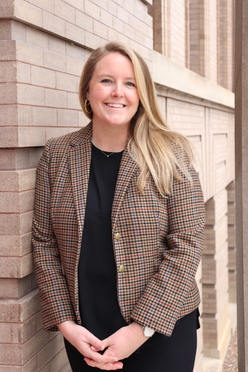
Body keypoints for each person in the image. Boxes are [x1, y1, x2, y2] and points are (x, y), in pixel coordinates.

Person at [32, 41, 205, 372]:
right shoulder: (57, 155)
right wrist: (66, 324)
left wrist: (140, 329)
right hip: (87, 338)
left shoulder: (171, 153)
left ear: (141, 95)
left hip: (162, 332)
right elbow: (43, 244)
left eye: (130, 83)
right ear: (87, 90)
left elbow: (187, 245)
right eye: (106, 80)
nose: (117, 93)